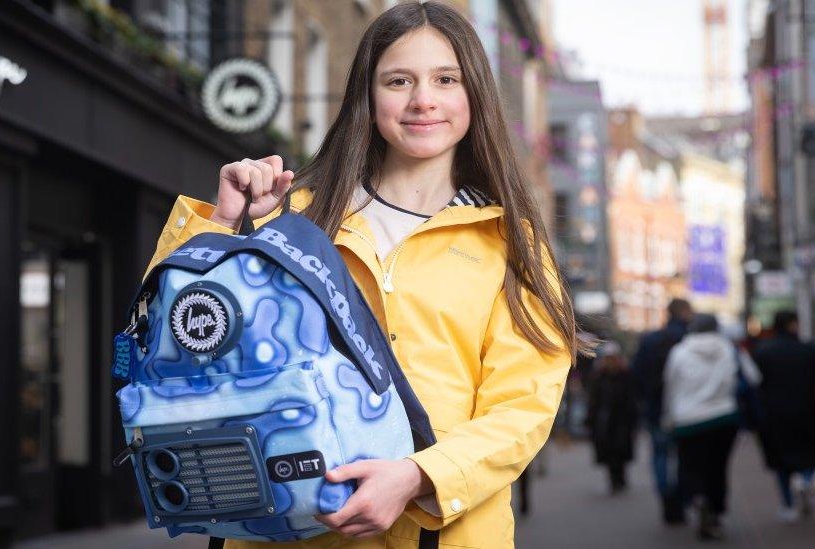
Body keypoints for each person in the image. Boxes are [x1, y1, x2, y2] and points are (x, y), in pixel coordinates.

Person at [141, 2, 585, 547]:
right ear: (368, 98)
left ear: (475, 95)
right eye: (399, 80)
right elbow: (174, 342)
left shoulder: (511, 243)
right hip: (289, 527)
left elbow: (522, 408)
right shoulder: (292, 217)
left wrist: (418, 477)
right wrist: (222, 224)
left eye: (446, 79)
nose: (423, 99)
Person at [662, 314, 741, 541]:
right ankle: (715, 512)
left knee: (690, 466)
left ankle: (698, 499)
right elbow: (736, 381)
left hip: (688, 420)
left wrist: (668, 417)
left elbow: (671, 386)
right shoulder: (726, 349)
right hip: (724, 417)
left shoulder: (680, 352)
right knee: (718, 468)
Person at [631, 298, 693, 524]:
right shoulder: (689, 339)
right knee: (684, 457)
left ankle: (665, 496)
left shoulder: (650, 340)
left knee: (659, 455)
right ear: (686, 312)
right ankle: (681, 498)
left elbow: (636, 373)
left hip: (655, 408)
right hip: (685, 409)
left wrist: (645, 399)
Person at [750, 310, 815, 521]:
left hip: (774, 414)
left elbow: (754, 386)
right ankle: (805, 481)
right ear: (793, 324)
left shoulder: (762, 352)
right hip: (806, 412)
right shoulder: (807, 350)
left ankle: (788, 505)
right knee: (807, 454)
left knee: (780, 461)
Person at [586, 341, 637, 494]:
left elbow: (632, 399)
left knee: (620, 450)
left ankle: (620, 478)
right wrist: (590, 420)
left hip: (622, 420)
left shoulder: (626, 375)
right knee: (608, 451)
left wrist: (633, 420)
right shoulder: (598, 377)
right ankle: (613, 480)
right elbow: (593, 400)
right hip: (605, 421)